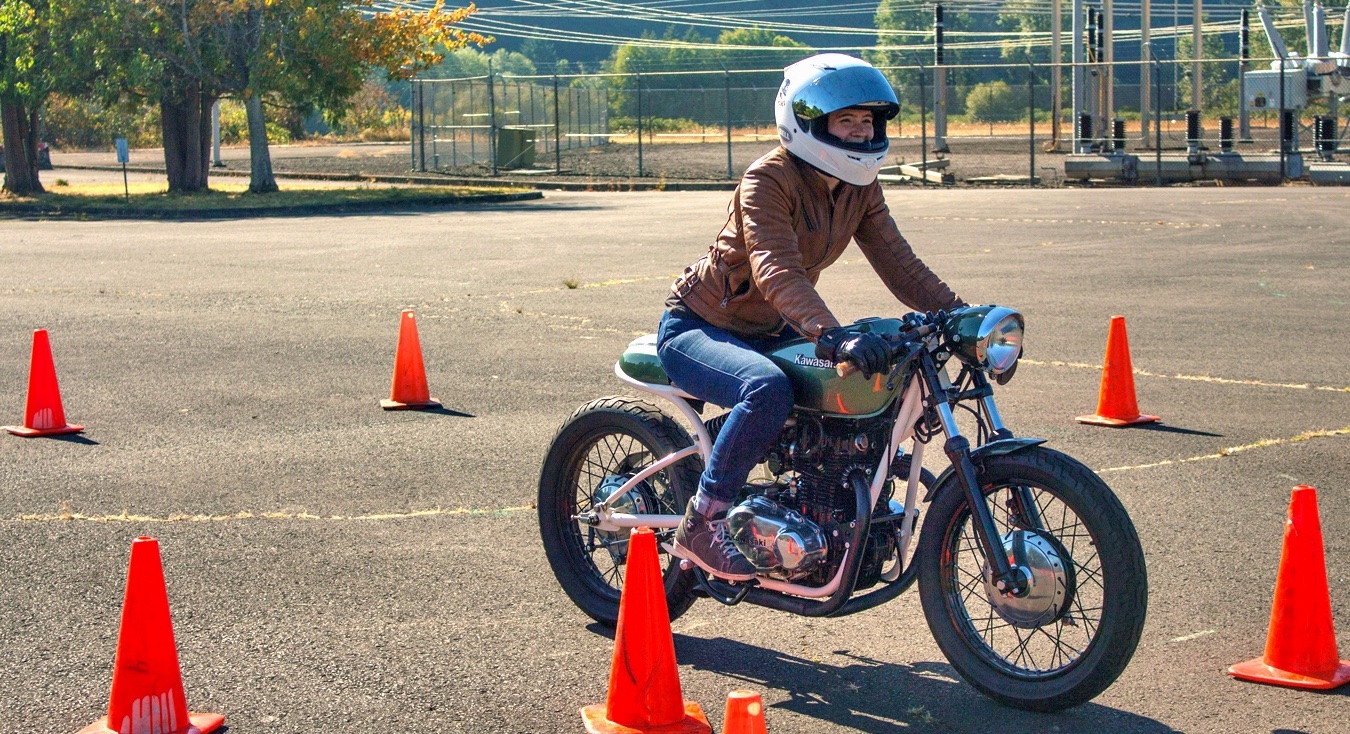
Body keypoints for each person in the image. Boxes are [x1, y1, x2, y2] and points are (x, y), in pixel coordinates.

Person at [656, 53, 965, 580]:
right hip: (700, 326)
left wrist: (962, 318)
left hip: (774, 329)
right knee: (767, 390)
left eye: (868, 121)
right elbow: (776, 268)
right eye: (846, 120)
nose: (861, 131)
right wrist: (831, 335)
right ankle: (704, 521)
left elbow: (900, 264)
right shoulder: (767, 180)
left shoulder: (859, 187)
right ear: (809, 123)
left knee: (869, 384)